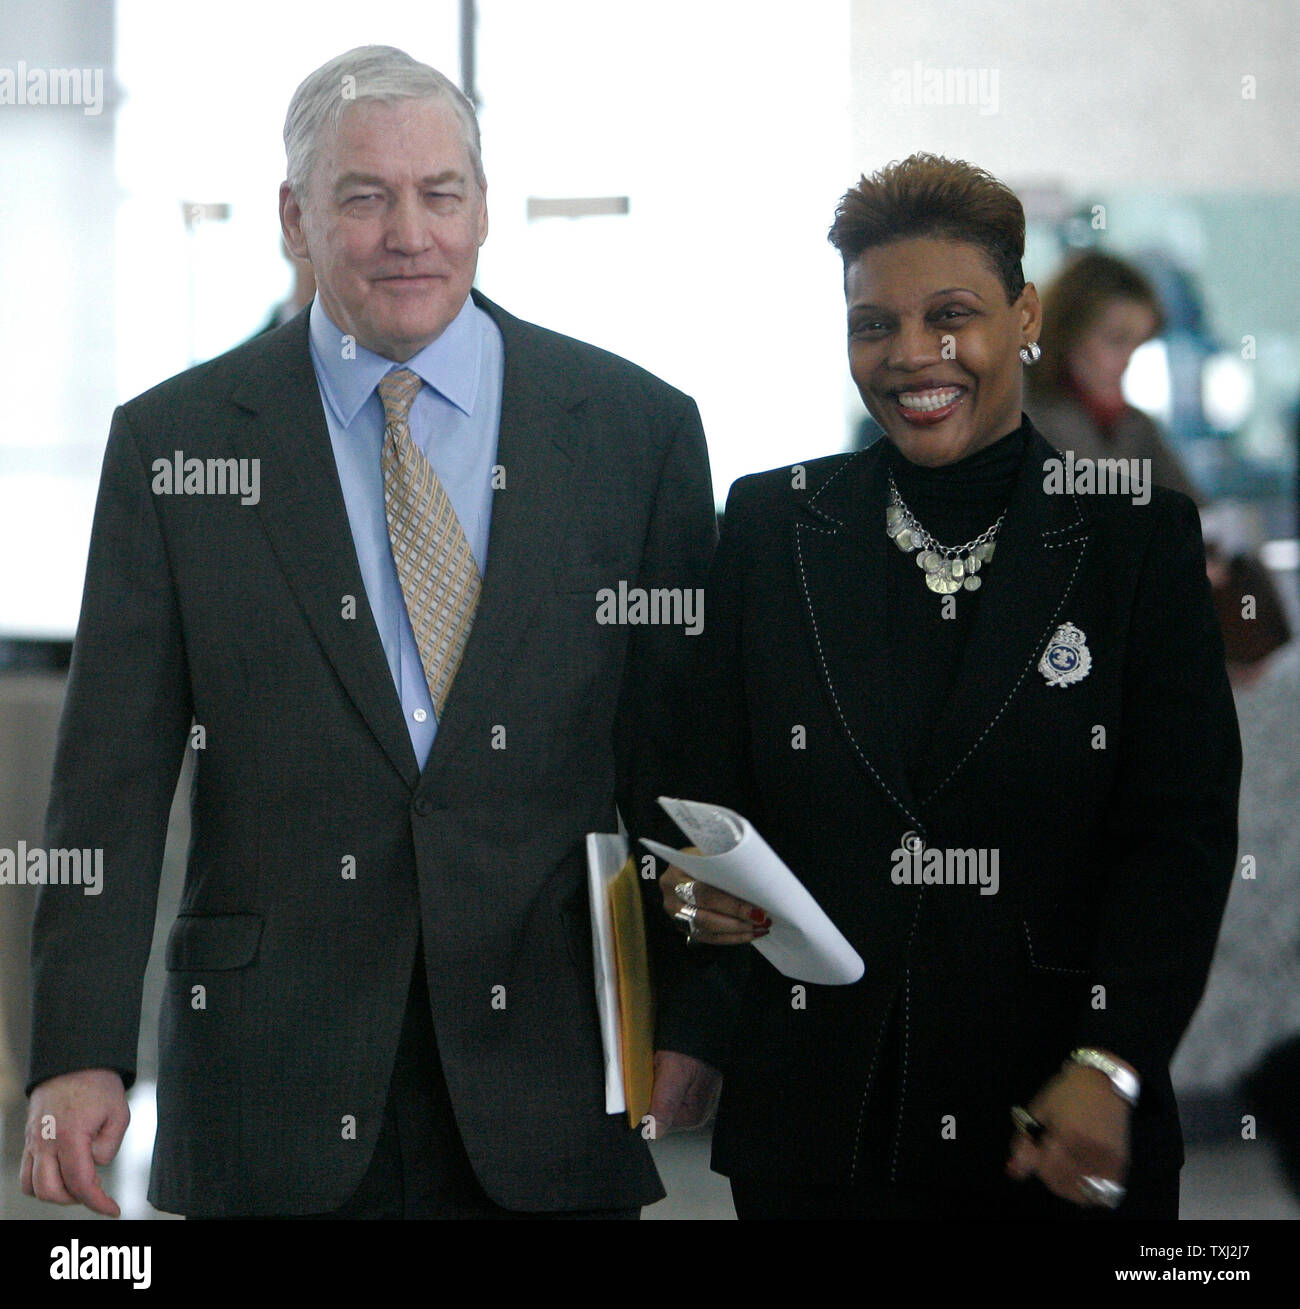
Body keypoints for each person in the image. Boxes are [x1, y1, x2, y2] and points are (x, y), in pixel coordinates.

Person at [22, 45, 722, 1219]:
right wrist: (79, 1047)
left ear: (484, 208)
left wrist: (691, 1014)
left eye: (440, 194)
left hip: (548, 1067)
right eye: (364, 197)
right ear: (296, 218)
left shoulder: (634, 433)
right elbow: (108, 780)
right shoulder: (175, 444)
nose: (410, 233)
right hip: (268, 1077)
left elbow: (678, 770)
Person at [660, 154, 1241, 1220]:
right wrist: (693, 926)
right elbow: (706, 801)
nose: (911, 355)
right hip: (816, 1124)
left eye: (951, 315)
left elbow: (1179, 836)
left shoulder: (1132, 539)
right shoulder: (772, 527)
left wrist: (1111, 1062)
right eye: (872, 324)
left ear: (1023, 315)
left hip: (1047, 1117)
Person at [1027, 250, 1204, 503]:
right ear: (1066, 332)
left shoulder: (1134, 427)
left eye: (1138, 344)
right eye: (1116, 340)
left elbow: (1194, 514)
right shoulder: (1017, 417)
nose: (1127, 360)